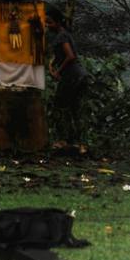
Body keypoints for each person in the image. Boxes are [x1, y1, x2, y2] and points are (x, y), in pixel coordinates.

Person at [45, 10, 88, 153]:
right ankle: (77, 142)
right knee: (74, 108)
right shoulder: (63, 35)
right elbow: (62, 56)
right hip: (78, 75)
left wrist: (58, 71)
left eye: (49, 22)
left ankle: (64, 140)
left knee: (60, 105)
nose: (47, 25)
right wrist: (52, 65)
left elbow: (70, 56)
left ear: (57, 22)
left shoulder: (62, 36)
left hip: (73, 76)